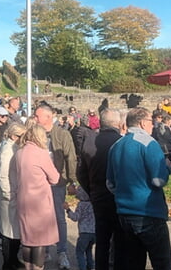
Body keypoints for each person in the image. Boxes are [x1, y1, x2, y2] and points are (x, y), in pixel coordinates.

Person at [106, 107, 171, 270]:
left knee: (134, 261)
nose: (154, 125)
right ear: (143, 123)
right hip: (148, 212)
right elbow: (158, 180)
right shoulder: (149, 143)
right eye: (151, 121)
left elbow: (110, 183)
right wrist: (167, 167)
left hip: (124, 212)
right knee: (161, 262)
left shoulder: (116, 145)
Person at [77, 108, 123, 270]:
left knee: (102, 240)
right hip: (118, 197)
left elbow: (81, 173)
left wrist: (91, 191)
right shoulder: (121, 142)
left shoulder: (89, 142)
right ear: (118, 123)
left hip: (98, 196)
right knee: (119, 239)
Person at [34, 103, 77, 269]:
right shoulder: (34, 134)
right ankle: (44, 250)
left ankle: (62, 252)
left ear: (48, 117)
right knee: (41, 217)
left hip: (57, 182)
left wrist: (71, 180)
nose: (35, 119)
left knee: (59, 217)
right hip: (39, 182)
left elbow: (70, 157)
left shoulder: (62, 134)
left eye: (37, 116)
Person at [16, 124, 60, 270]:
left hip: (23, 199)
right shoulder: (41, 153)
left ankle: (28, 267)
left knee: (27, 239)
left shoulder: (19, 153)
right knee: (40, 240)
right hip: (39, 201)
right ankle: (38, 268)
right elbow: (55, 178)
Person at [0, 123, 26, 270]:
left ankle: (13, 259)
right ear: (14, 136)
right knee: (8, 232)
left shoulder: (14, 148)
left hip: (15, 193)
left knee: (15, 232)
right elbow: (3, 175)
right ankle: (8, 263)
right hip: (9, 195)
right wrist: (8, 194)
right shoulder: (7, 150)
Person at [65, 186, 95, 270]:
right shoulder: (93, 204)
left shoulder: (81, 205)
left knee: (80, 252)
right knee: (88, 250)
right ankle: (91, 266)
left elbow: (75, 217)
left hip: (84, 233)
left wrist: (68, 210)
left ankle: (82, 267)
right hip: (94, 232)